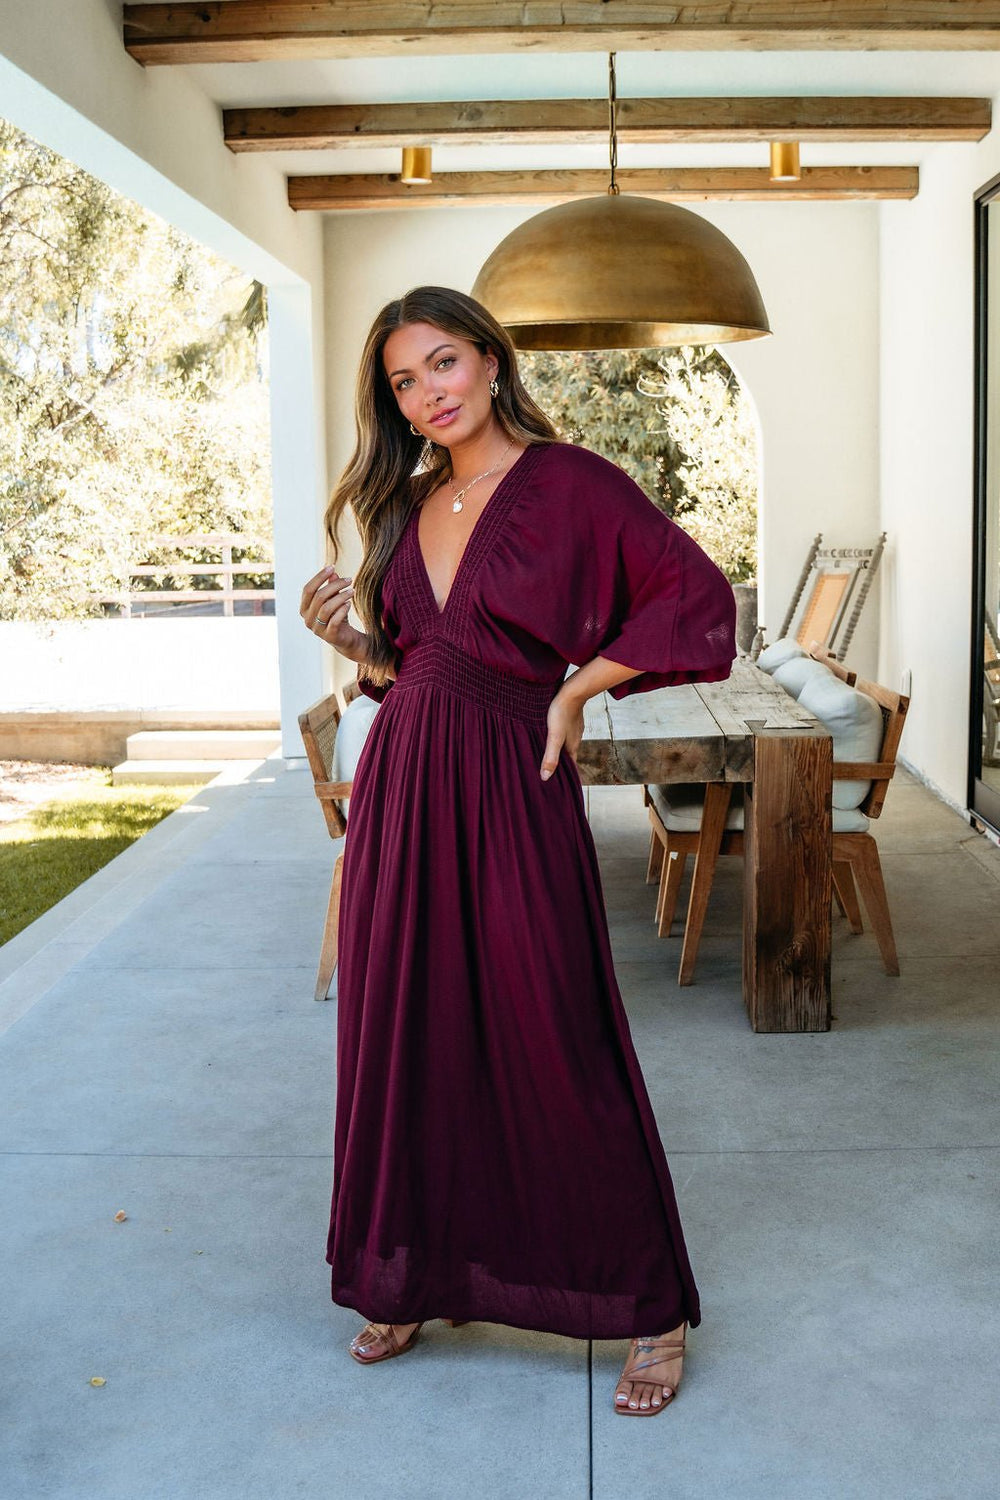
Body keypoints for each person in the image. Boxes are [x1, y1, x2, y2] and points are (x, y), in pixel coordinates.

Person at [299, 285, 736, 1416]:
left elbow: (693, 598)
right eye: (404, 381)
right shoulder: (408, 503)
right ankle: (407, 1274)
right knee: (407, 1036)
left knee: (557, 1034)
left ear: (491, 361)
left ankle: (649, 1307)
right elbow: (415, 663)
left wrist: (575, 692)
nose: (427, 394)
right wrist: (351, 638)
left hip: (511, 783)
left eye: (442, 363)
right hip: (402, 788)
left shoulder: (571, 484)